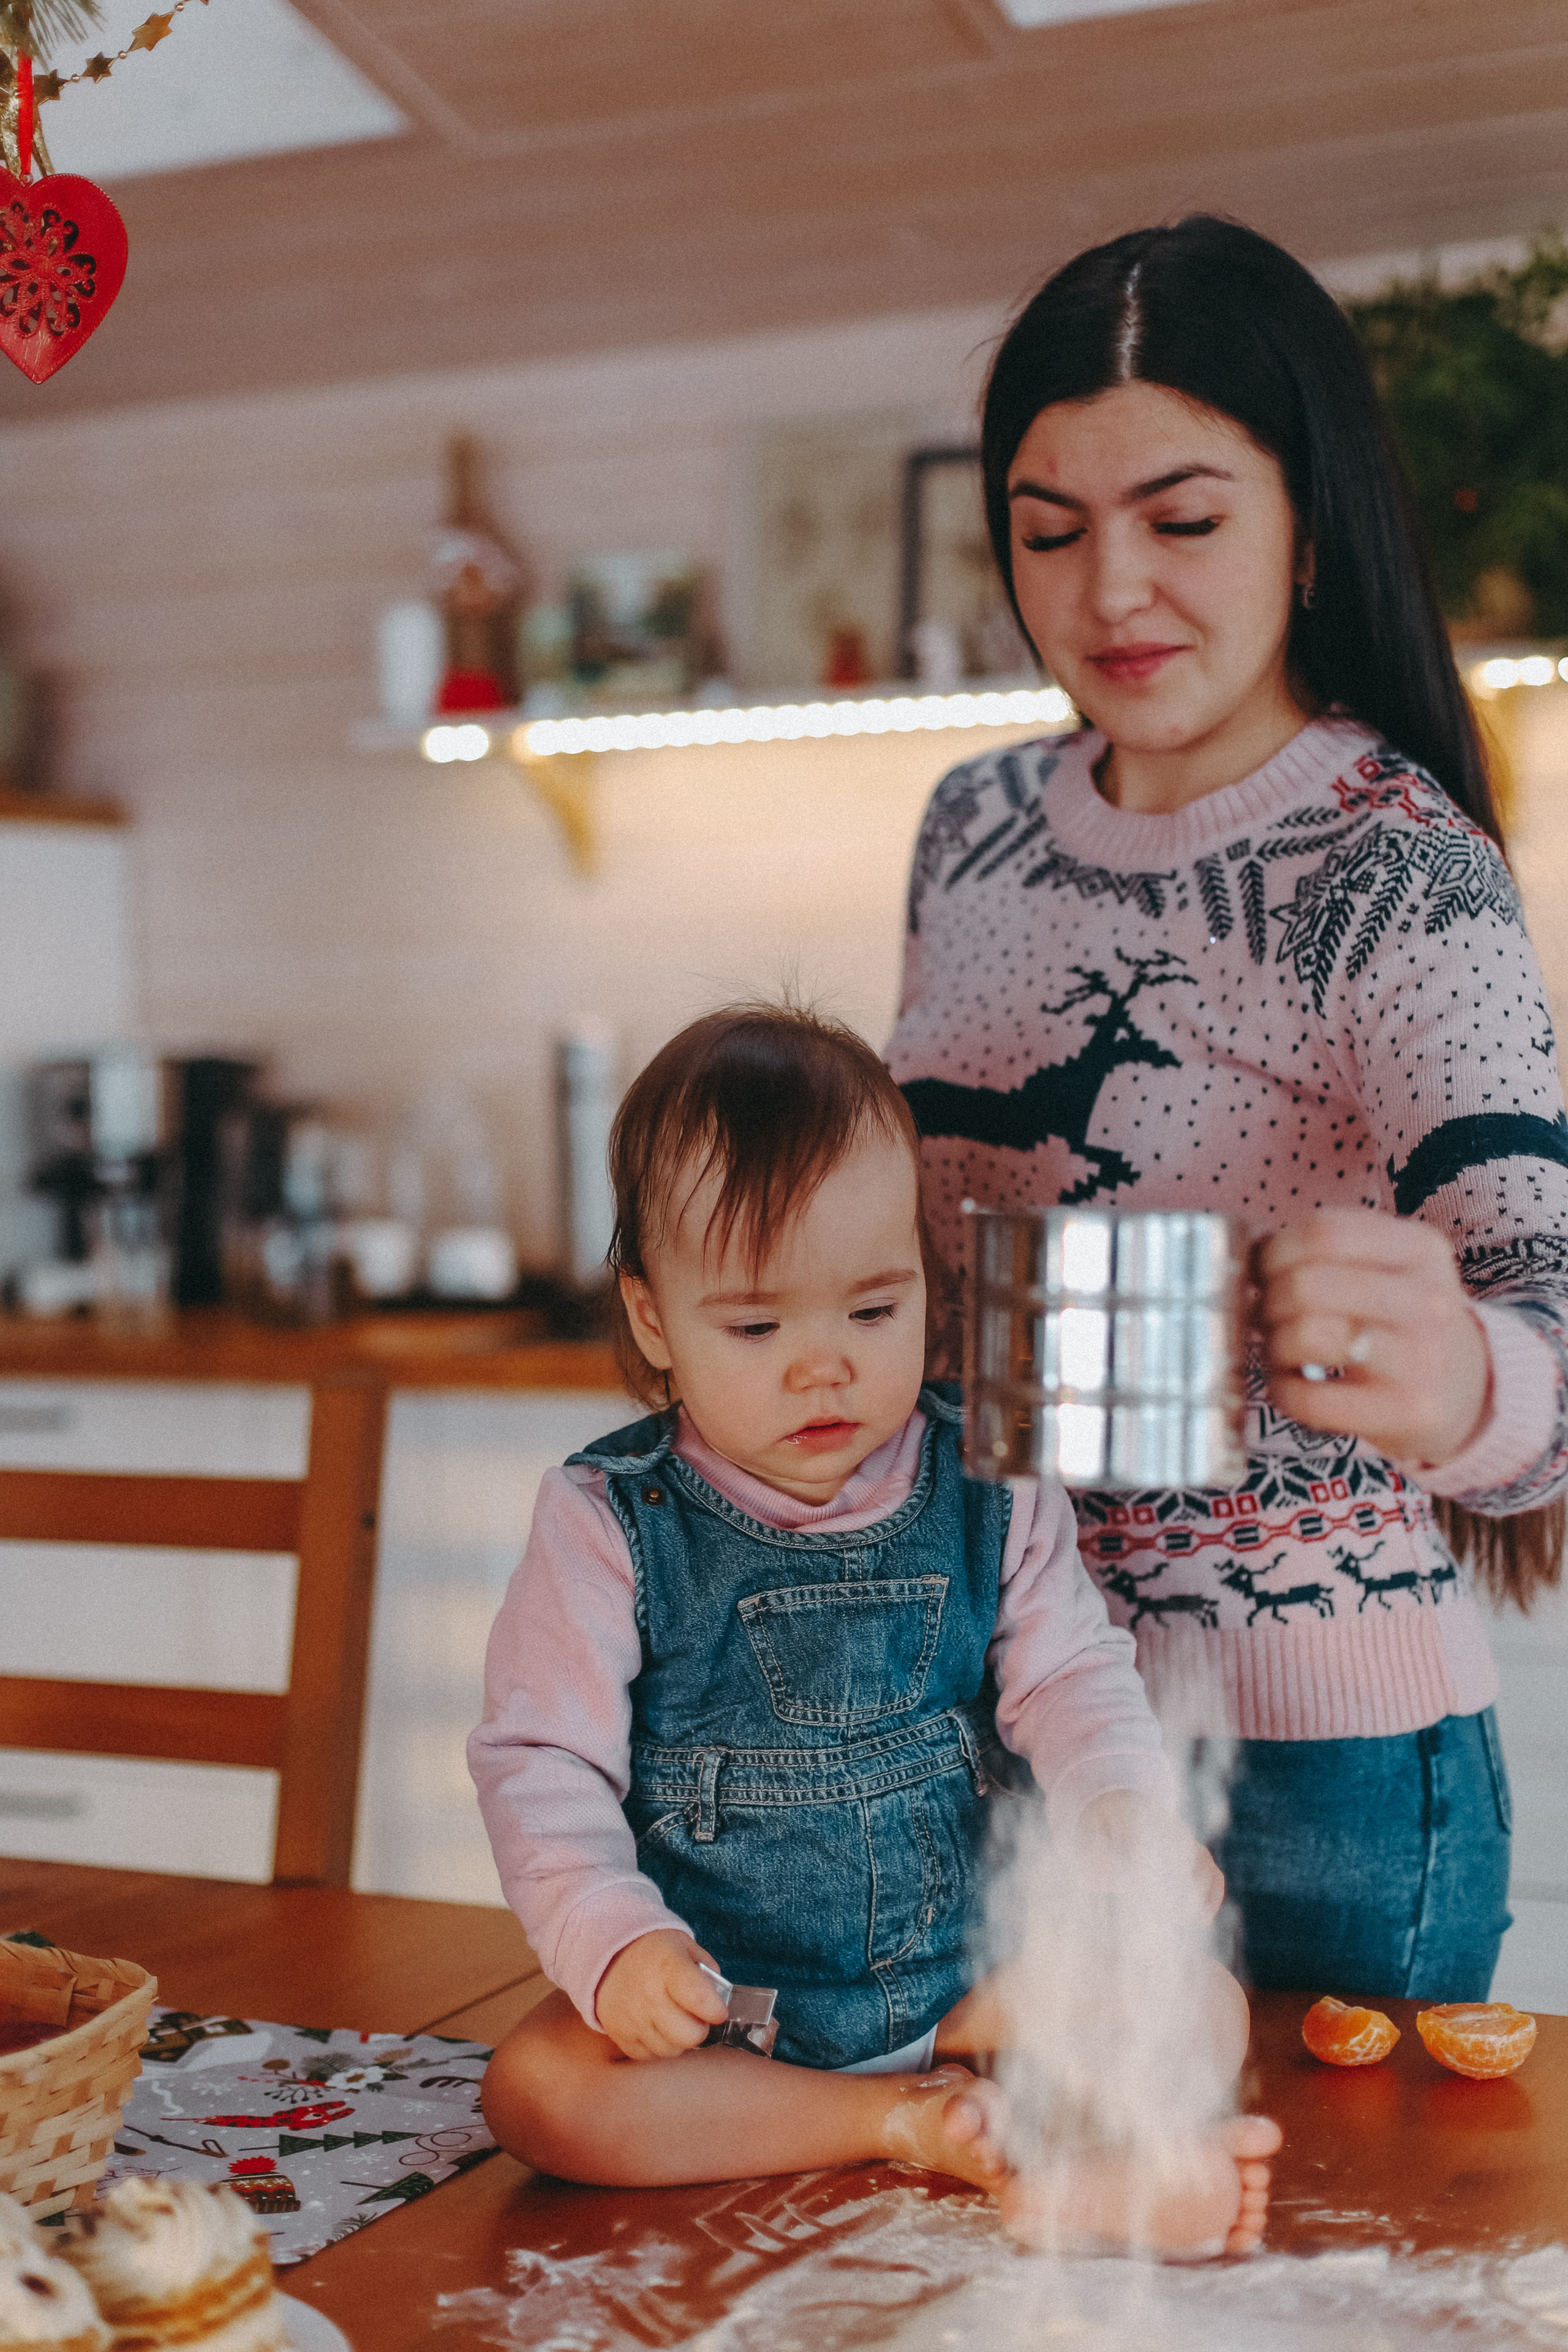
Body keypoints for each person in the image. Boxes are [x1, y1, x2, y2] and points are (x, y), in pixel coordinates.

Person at [886, 216, 1568, 2005]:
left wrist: (1476, 1383)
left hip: (1314, 1777)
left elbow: (1550, 1330)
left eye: (1183, 522)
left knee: (1321, 2282)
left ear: (1311, 523)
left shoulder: (1397, 862)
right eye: (1051, 533)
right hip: (994, 1714)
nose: (1111, 594)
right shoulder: (970, 831)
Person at [470, 1003, 1279, 2252]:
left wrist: (1121, 1811)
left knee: (1199, 2003)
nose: (822, 1367)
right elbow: (540, 1766)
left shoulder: (989, 1479)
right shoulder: (602, 1520)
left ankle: (1091, 2163)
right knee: (537, 2095)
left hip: (973, 1990)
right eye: (755, 1325)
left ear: (923, 1284)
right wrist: (615, 1947)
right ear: (652, 1321)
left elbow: (1069, 1675)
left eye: (871, 1310)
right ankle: (898, 2125)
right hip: (733, 2014)